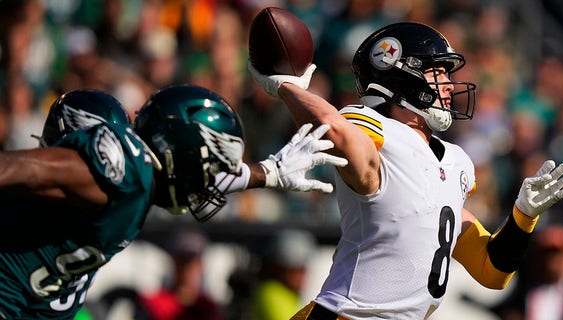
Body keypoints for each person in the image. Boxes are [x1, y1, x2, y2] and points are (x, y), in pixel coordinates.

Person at [249, 22, 563, 319]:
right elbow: (335, 132)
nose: (448, 85)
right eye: (439, 73)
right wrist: (289, 87)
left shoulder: (454, 161)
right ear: (399, 75)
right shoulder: (375, 130)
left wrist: (523, 215)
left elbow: (492, 271)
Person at [0, 86, 346, 319]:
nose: (211, 182)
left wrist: (266, 172)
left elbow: (198, 172)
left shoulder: (142, 177)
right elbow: (17, 170)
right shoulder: (123, 167)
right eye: (210, 166)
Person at [140, 227, 226, 320]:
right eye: (182, 261)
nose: (187, 268)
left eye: (192, 261)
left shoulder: (209, 307)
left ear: (201, 265)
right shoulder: (154, 303)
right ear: (173, 263)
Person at [251, 229, 318, 320]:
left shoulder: (291, 294)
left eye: (302, 270)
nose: (299, 277)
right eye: (293, 271)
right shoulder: (270, 292)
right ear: (279, 268)